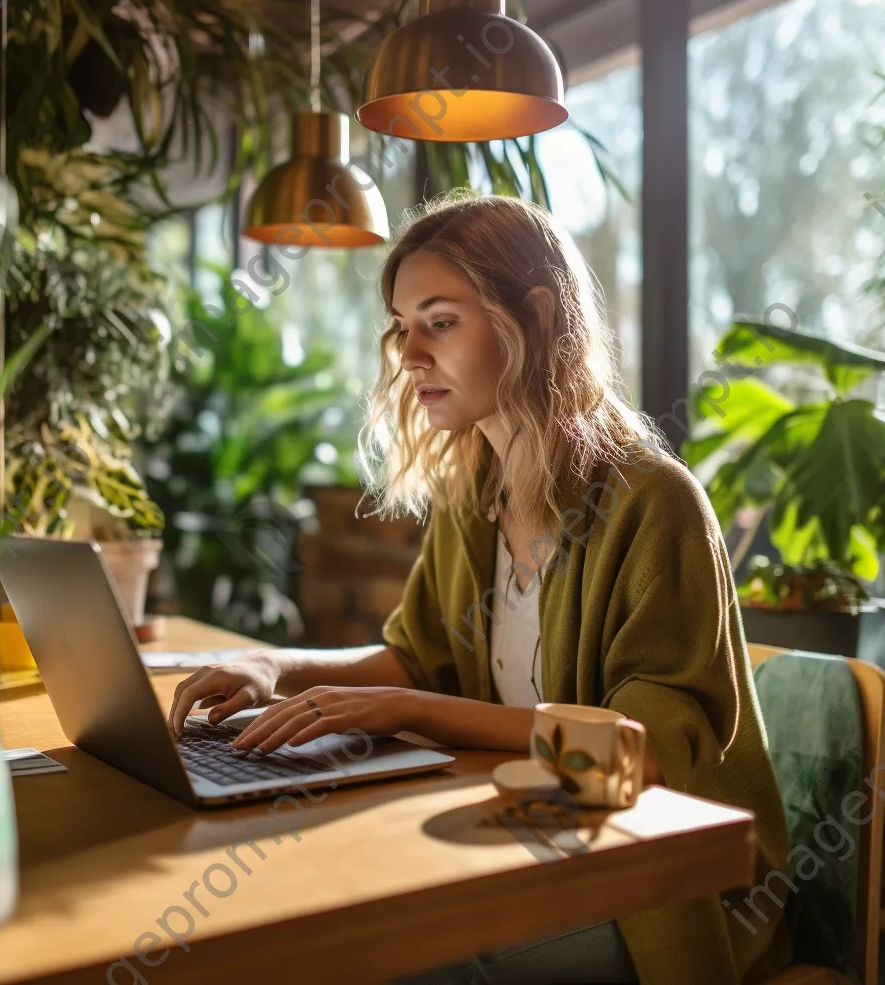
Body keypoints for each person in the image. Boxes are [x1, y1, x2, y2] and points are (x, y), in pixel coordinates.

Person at [168, 193, 793, 985]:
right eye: (402, 326)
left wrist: (412, 710)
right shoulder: (475, 491)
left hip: (671, 893)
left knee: (398, 966)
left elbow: (637, 755)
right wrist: (278, 672)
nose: (408, 354)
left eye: (440, 320)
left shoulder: (653, 504)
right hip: (534, 844)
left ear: (533, 317)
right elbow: (415, 660)